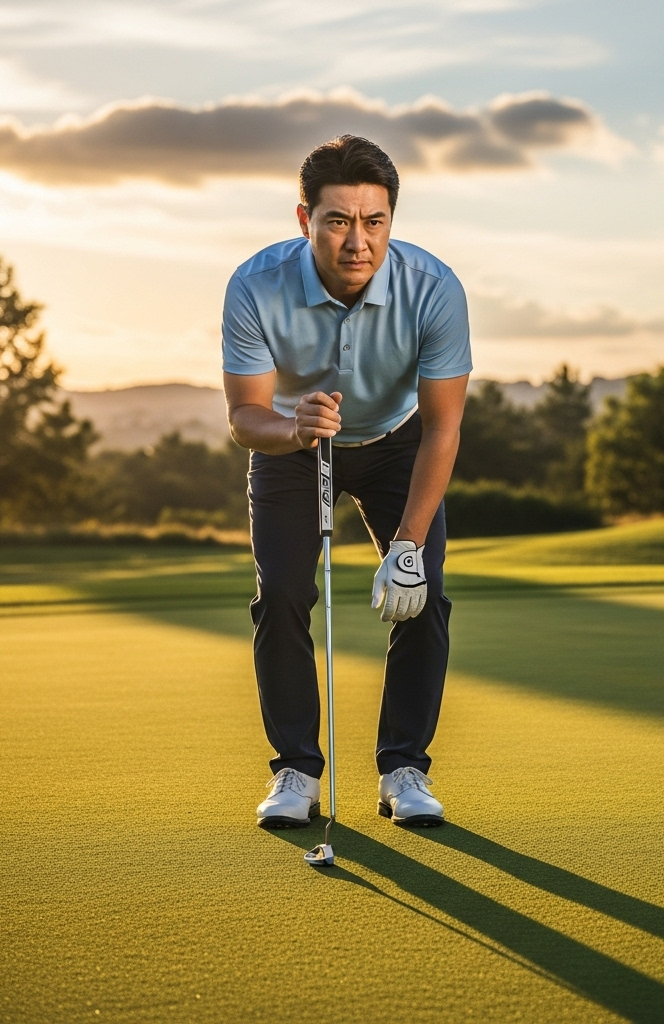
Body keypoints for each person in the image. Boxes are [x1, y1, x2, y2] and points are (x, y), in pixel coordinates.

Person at [221, 135, 471, 830]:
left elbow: (444, 428)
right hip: (294, 443)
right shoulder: (255, 284)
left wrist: (409, 544)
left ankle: (404, 768)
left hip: (400, 444)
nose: (357, 241)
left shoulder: (435, 289)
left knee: (422, 595)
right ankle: (296, 770)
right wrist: (294, 429)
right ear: (305, 221)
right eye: (337, 221)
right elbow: (244, 418)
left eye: (374, 221)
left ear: (391, 219)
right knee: (283, 595)